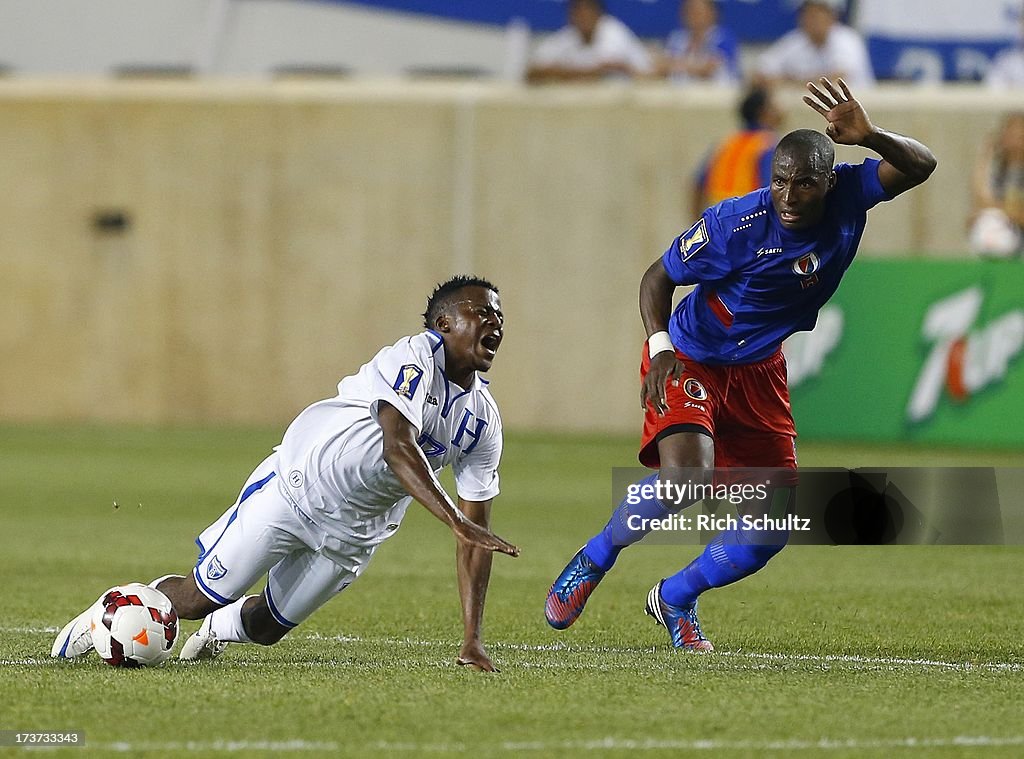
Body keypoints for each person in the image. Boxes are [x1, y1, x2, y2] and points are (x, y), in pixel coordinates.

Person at [545, 77, 935, 650]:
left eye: (804, 183)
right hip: (693, 357)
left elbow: (923, 166)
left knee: (769, 530)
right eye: (780, 181)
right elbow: (657, 277)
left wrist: (871, 134)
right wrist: (659, 349)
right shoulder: (737, 224)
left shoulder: (853, 190)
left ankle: (676, 595)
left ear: (828, 181)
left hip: (759, 371)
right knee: (686, 478)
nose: (789, 195)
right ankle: (594, 559)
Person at [52, 275, 520, 672]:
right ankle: (108, 613)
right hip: (296, 489)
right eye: (482, 312)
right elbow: (398, 447)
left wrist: (472, 637)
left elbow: (475, 534)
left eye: (499, 316)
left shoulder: (483, 421)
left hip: (353, 536)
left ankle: (219, 630)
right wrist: (455, 519)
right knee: (200, 598)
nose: (494, 323)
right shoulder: (413, 356)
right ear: (443, 324)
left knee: (266, 628)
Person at [692, 85, 784, 221]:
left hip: (720, 223)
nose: (781, 110)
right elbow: (774, 193)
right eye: (775, 105)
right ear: (764, 112)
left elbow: (697, 186)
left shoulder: (726, 143)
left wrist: (697, 224)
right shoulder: (769, 145)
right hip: (752, 223)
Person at [527, 0, 652, 83]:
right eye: (578, 12)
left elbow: (602, 72)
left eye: (588, 10)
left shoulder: (613, 33)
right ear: (571, 15)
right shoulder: (567, 37)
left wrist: (561, 72)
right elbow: (533, 71)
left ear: (599, 14)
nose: (583, 16)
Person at [757, 0, 875, 89]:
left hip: (858, 109)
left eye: (817, 13)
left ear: (832, 16)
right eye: (807, 12)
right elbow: (761, 72)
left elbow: (837, 78)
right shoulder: (795, 40)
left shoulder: (847, 39)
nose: (811, 18)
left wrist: (790, 81)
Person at [969, 112, 1024, 258]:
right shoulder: (998, 170)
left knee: (992, 219)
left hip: (1018, 231)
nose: (1015, 142)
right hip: (1000, 227)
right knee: (987, 223)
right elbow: (980, 200)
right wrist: (985, 156)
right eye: (1010, 135)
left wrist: (999, 211)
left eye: (1020, 137)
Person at [657, 0, 740, 86]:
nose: (693, 16)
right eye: (689, 10)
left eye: (698, 12)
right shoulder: (676, 38)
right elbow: (662, 66)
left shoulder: (723, 37)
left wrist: (677, 65)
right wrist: (695, 67)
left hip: (718, 92)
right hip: (680, 92)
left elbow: (709, 69)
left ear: (712, 13)